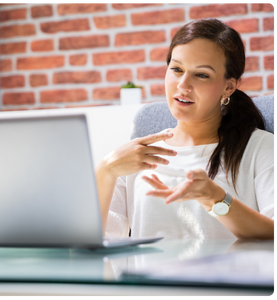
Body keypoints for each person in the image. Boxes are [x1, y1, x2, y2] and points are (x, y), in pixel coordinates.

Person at [95, 18, 277, 240]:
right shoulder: (136, 155)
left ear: (228, 87)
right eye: (177, 69)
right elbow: (96, 239)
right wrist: (105, 171)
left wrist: (215, 198)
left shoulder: (261, 148)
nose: (183, 85)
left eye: (201, 74)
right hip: (143, 274)